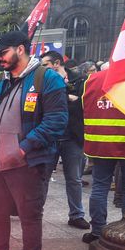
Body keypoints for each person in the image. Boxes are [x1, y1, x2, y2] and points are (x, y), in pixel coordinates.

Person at [0, 30, 68, 250]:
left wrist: (24, 148)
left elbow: (56, 121)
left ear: (21, 49)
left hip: (27, 162)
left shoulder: (47, 79)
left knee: (30, 214)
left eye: (3, 53)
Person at [80, 68, 125, 243]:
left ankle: (97, 230)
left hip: (101, 142)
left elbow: (85, 106)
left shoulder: (92, 79)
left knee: (100, 186)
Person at [41, 51, 88, 231]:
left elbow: (85, 104)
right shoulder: (42, 81)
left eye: (46, 65)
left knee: (74, 179)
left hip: (72, 137)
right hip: (50, 137)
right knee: (42, 177)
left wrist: (69, 99)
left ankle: (77, 215)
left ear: (57, 63)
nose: (43, 68)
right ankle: (36, 211)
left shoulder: (80, 80)